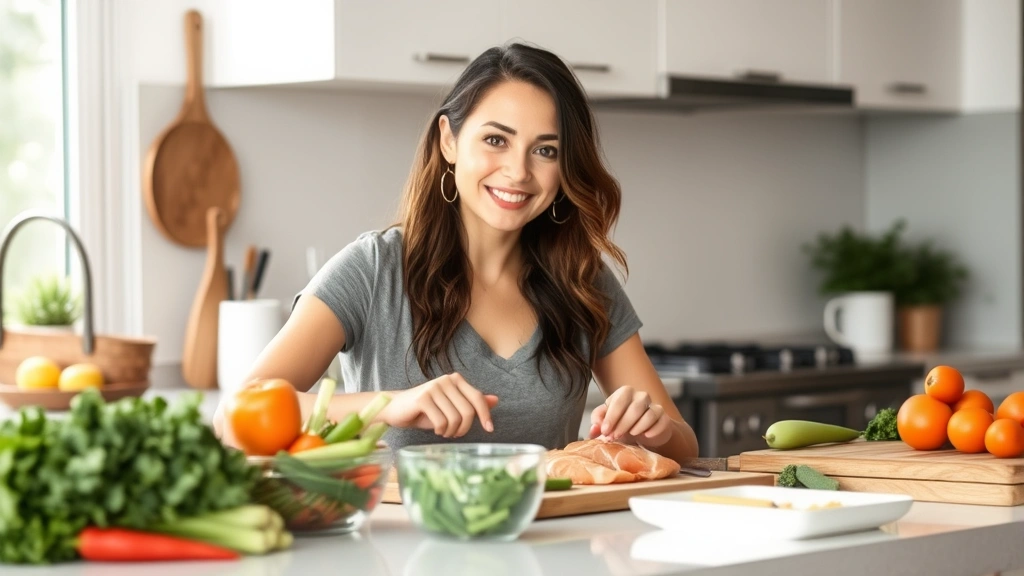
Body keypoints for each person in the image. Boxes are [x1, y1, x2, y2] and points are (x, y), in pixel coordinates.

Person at [215, 42, 699, 463]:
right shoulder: (374, 270)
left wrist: (650, 428)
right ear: (449, 140)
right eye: (495, 140)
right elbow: (234, 416)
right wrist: (391, 405)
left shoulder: (582, 281)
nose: (518, 171)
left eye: (545, 150)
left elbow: (683, 444)